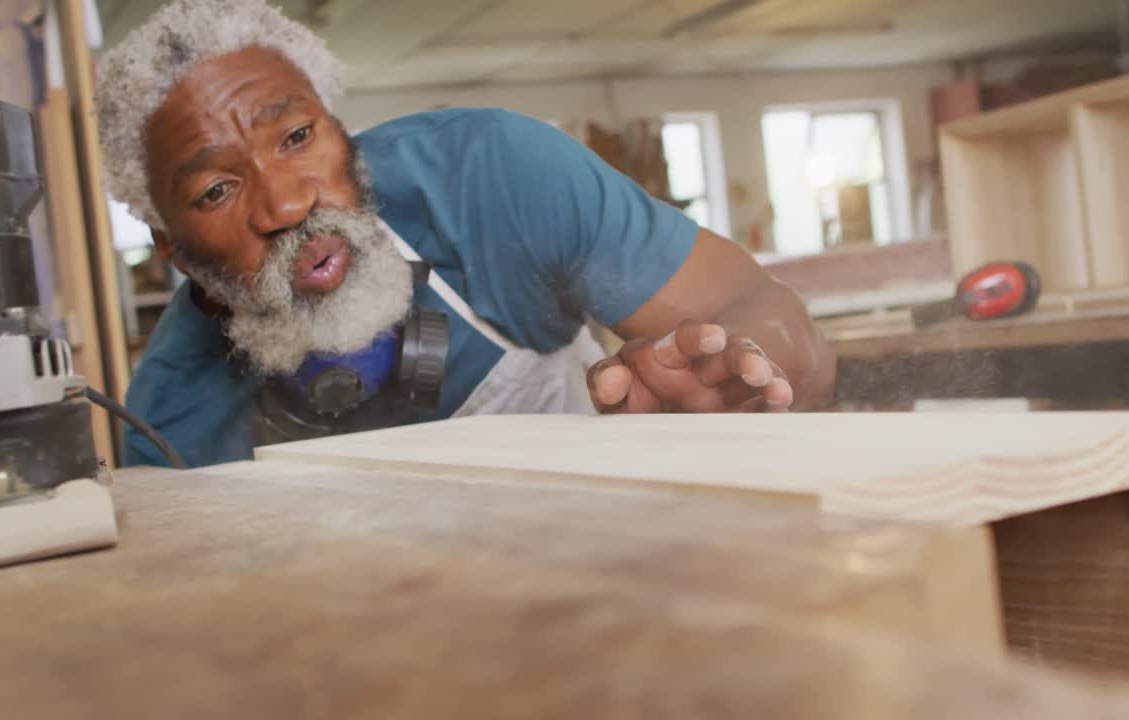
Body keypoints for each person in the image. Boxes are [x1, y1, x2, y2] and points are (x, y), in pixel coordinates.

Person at [95, 0, 837, 468]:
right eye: (217, 189)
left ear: (342, 134)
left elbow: (766, 309)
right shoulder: (172, 433)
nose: (286, 205)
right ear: (172, 249)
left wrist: (746, 380)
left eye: (295, 136)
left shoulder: (493, 178)